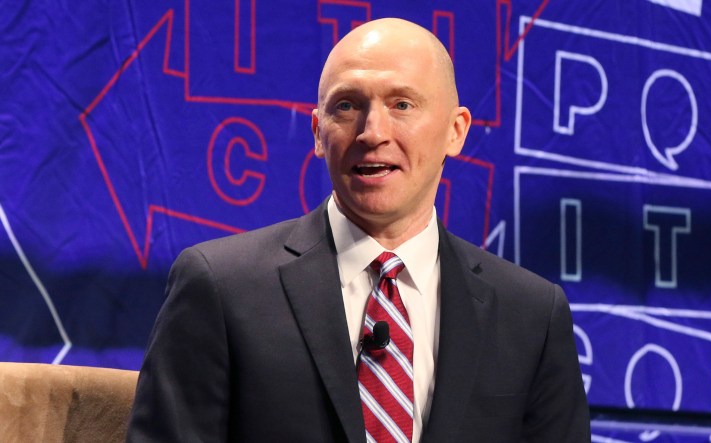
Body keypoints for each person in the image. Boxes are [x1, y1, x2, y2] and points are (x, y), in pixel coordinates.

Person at [127, 17, 590, 442]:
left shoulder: (531, 315)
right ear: (317, 131)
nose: (372, 131)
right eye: (347, 106)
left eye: (402, 104)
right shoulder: (220, 286)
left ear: (456, 130)